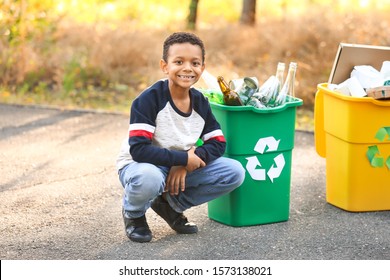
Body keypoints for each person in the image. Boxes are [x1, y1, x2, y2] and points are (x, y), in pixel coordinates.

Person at [116, 32, 245, 243]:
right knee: (149, 179)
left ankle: (169, 204)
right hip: (142, 166)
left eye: (195, 63)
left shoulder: (200, 101)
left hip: (178, 163)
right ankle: (134, 214)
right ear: (165, 66)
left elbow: (218, 143)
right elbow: (138, 150)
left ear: (202, 68)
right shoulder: (149, 99)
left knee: (234, 172)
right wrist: (183, 160)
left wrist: (186, 163)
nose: (187, 68)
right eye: (178, 61)